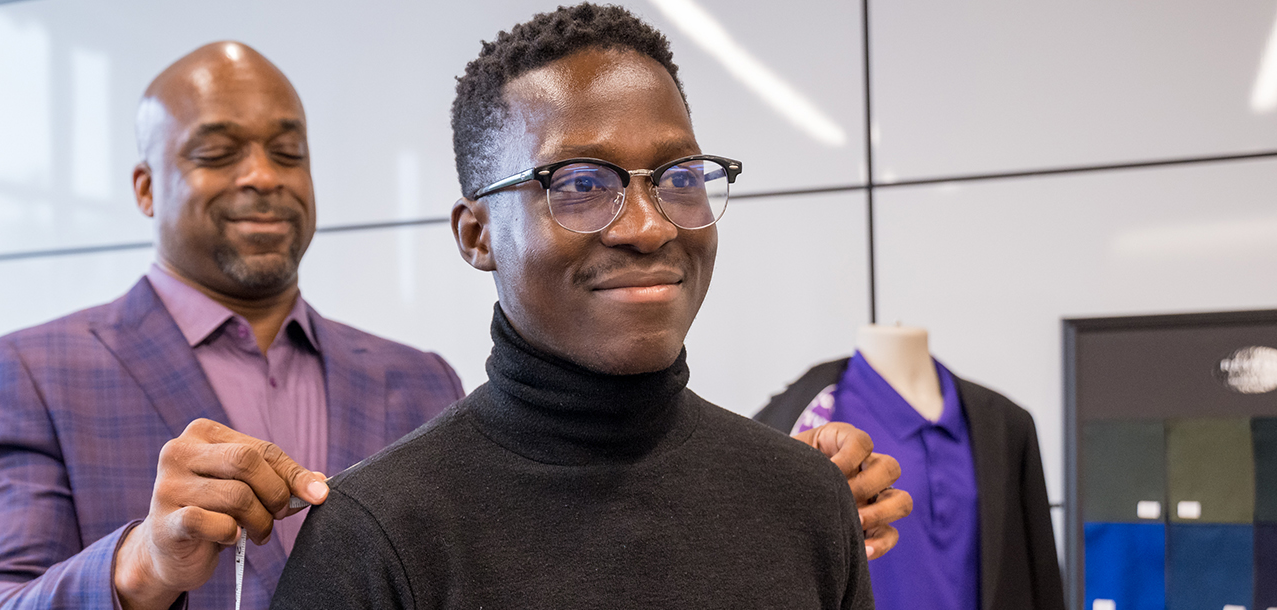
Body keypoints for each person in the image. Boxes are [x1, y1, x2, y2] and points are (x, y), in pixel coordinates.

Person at [0, 39, 907, 610]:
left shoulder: (409, 377)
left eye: (289, 149)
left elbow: (574, 482)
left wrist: (759, 506)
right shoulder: (33, 370)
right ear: (148, 183)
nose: (264, 175)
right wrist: (140, 560)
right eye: (218, 151)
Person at [272, 5, 880, 608]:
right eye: (581, 185)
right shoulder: (375, 538)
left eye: (679, 177)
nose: (648, 227)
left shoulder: (806, 502)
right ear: (476, 235)